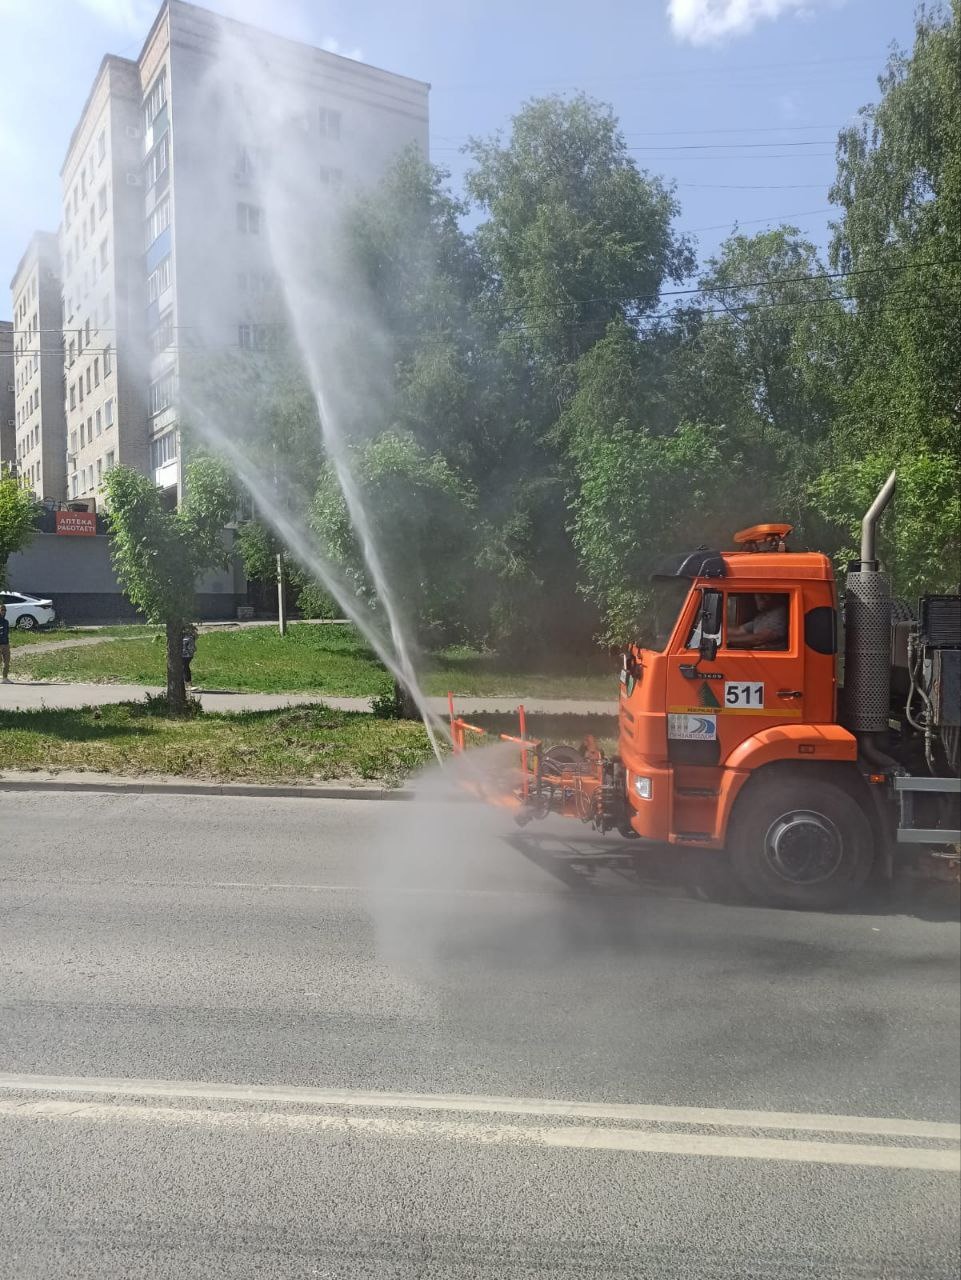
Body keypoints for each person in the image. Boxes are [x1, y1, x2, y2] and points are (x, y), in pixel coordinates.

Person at [0, 604, 9, 682]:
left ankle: (4, 678)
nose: (3, 612)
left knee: (6, 661)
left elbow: (6, 633)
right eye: (2, 610)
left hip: (6, 643)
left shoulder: (6, 622)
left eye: (4, 610)